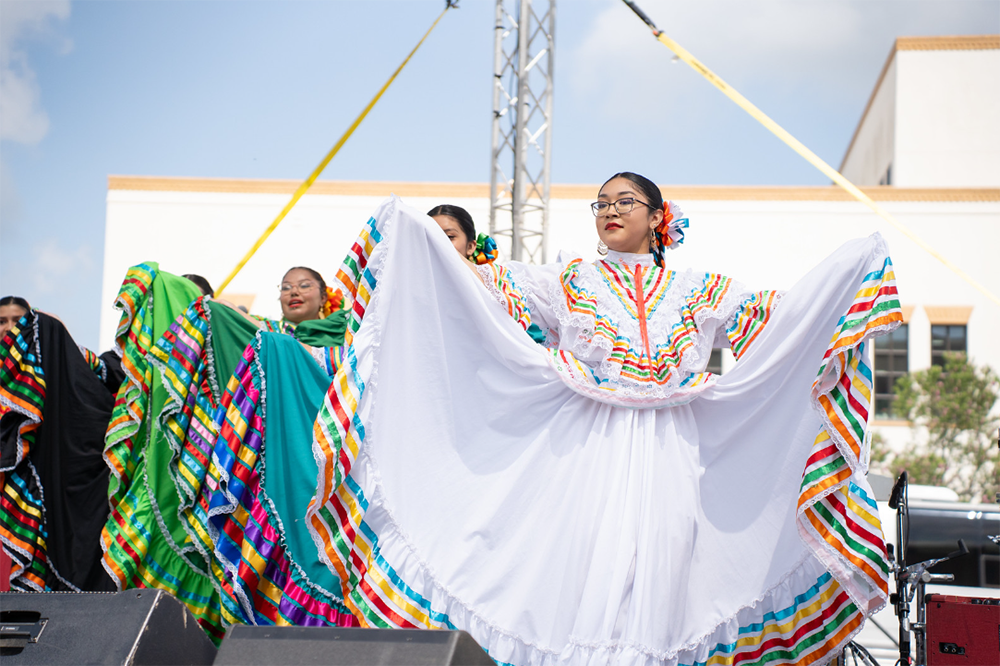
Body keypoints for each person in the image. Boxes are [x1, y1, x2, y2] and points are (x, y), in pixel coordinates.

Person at [301, 182, 900, 666]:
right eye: (602, 204)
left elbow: (778, 320)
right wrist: (418, 243)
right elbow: (479, 288)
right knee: (581, 565)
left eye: (624, 202)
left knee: (664, 573)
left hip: (672, 447)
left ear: (658, 217)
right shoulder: (569, 280)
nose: (610, 211)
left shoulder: (700, 288)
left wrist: (847, 283)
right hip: (586, 448)